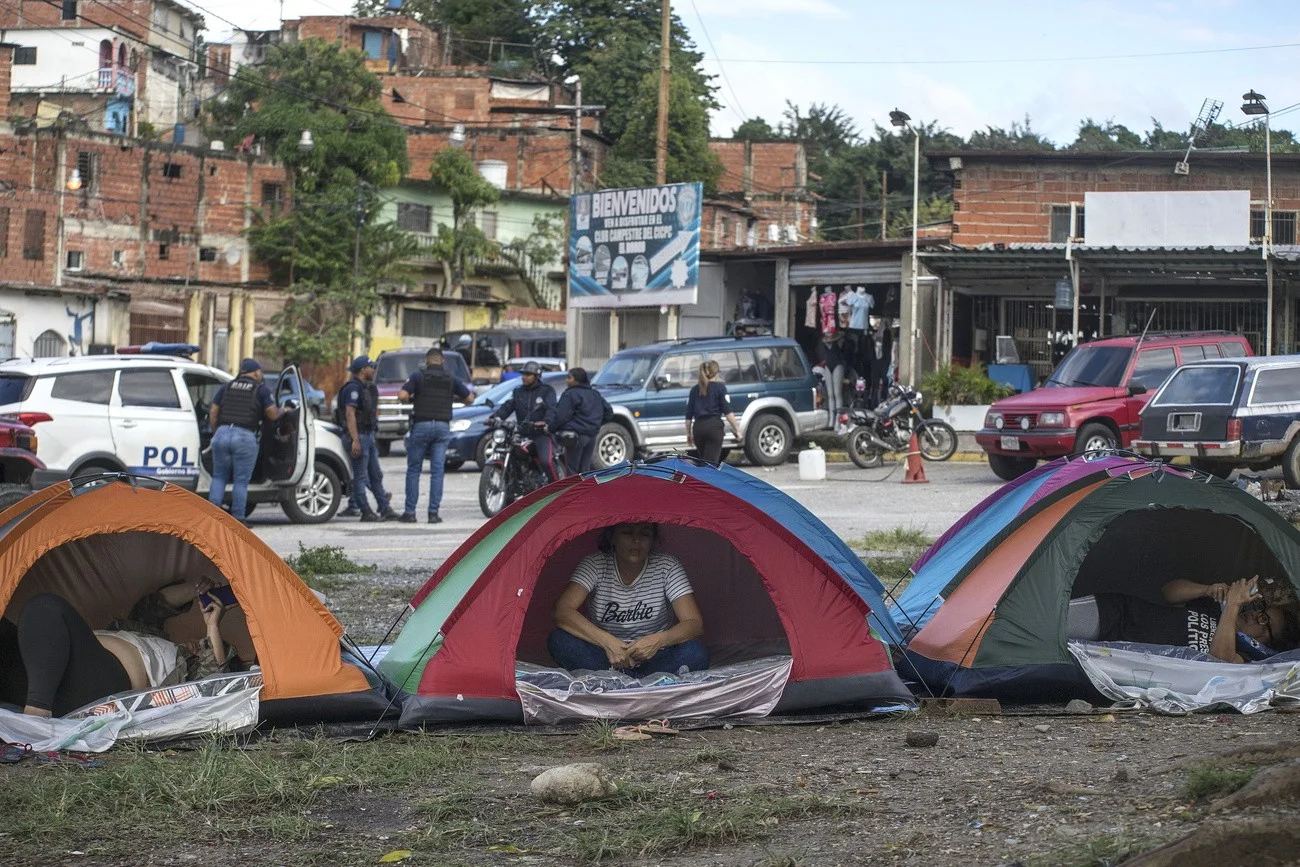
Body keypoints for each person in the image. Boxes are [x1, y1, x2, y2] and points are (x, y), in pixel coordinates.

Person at [13, 582, 238, 717]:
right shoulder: (153, 634)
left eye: (202, 648)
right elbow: (153, 605)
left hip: (99, 683)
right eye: (200, 642)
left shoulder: (186, 669)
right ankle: (35, 699)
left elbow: (215, 679)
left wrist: (212, 626)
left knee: (46, 607)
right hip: (43, 668)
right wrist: (197, 588)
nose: (198, 645)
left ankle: (37, 715)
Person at [547, 522, 708, 677]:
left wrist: (658, 641)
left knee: (696, 652)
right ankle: (645, 686)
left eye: (645, 534)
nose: (636, 540)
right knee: (559, 641)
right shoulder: (595, 564)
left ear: (653, 540)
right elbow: (561, 611)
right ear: (612, 537)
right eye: (627, 532)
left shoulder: (667, 566)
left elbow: (694, 623)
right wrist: (608, 643)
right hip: (606, 657)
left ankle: (623, 683)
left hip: (657, 658)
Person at [1067, 576, 1299, 663]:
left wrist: (1233, 607)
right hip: (1117, 616)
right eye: (1259, 610)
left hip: (1114, 657)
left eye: (1263, 620)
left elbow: (1220, 661)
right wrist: (1206, 590)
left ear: (1267, 642)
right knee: (1044, 626)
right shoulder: (1216, 611)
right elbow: (1169, 591)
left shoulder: (1243, 655)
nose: (1253, 614)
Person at [398, 347, 472, 524]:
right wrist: (452, 398)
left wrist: (411, 398)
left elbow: (402, 395)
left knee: (414, 470)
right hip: (441, 427)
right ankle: (433, 514)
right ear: (443, 361)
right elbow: (469, 398)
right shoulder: (451, 378)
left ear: (426, 361)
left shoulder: (418, 376)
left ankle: (410, 513)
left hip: (421, 425)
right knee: (437, 471)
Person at [208, 358, 280, 523]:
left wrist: (216, 431)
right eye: (259, 371)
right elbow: (272, 414)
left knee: (219, 477)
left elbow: (213, 411)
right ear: (255, 373)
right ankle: (238, 518)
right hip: (245, 436)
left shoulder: (227, 387)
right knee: (241, 481)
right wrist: (284, 410)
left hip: (222, 433)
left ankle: (212, 517)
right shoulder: (260, 389)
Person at [337, 356, 398, 522]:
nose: (374, 369)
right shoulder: (352, 389)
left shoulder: (369, 388)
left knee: (376, 475)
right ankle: (365, 510)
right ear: (363, 369)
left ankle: (384, 508)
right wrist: (355, 439)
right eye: (371, 367)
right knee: (360, 476)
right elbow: (350, 414)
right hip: (358, 436)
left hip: (368, 435)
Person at [489, 360, 561, 484]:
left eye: (528, 374)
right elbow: (508, 406)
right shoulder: (518, 391)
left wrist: (545, 422)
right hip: (522, 433)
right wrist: (495, 417)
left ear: (537, 376)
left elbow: (551, 409)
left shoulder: (547, 391)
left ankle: (558, 489)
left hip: (540, 434)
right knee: (511, 452)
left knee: (546, 461)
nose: (524, 377)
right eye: (523, 374)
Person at [548, 368, 610, 475]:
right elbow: (608, 412)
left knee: (572, 471)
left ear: (576, 380)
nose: (566, 381)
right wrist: (596, 424)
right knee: (585, 470)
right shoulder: (595, 394)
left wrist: (550, 428)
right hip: (592, 436)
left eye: (569, 378)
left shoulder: (570, 394)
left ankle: (573, 492)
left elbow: (561, 417)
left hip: (575, 436)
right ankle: (584, 491)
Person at [685, 360, 741, 465]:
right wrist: (737, 430)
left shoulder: (694, 390)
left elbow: (688, 416)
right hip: (714, 428)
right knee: (710, 464)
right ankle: (706, 480)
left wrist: (688, 434)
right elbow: (727, 412)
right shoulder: (720, 388)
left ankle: (702, 479)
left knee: (703, 461)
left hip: (698, 428)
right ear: (717, 373)